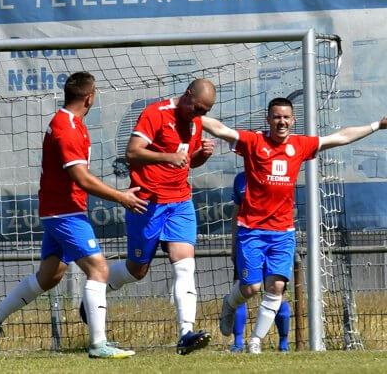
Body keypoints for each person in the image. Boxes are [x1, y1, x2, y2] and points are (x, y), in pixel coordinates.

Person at [0, 72, 148, 358]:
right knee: (99, 269)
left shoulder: (73, 124)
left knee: (49, 276)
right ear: (90, 97)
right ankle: (98, 344)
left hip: (62, 210)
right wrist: (121, 197)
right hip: (64, 213)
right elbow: (81, 178)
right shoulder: (67, 128)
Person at [206, 98, 387, 354]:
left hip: (283, 232)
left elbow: (341, 137)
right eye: (277, 117)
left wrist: (377, 125)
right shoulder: (254, 142)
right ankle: (229, 304)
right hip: (251, 231)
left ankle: (255, 343)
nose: (282, 121)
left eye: (286, 117)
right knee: (250, 288)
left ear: (293, 121)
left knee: (277, 288)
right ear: (268, 120)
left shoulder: (300, 145)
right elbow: (221, 130)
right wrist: (191, 114)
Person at [100, 79, 217, 355]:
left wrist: (202, 156)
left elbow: (187, 160)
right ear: (187, 95)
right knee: (136, 271)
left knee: (185, 265)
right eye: (197, 108)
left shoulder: (196, 121)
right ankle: (97, 287)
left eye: (204, 112)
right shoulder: (155, 113)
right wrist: (167, 157)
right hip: (147, 203)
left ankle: (186, 333)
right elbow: (131, 153)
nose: (199, 115)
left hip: (180, 202)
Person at [227, 171, 291, 353]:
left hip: (274, 240)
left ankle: (283, 345)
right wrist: (234, 243)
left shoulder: (278, 175)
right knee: (243, 288)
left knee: (278, 291)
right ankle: (238, 343)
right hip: (247, 242)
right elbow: (236, 212)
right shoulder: (240, 178)